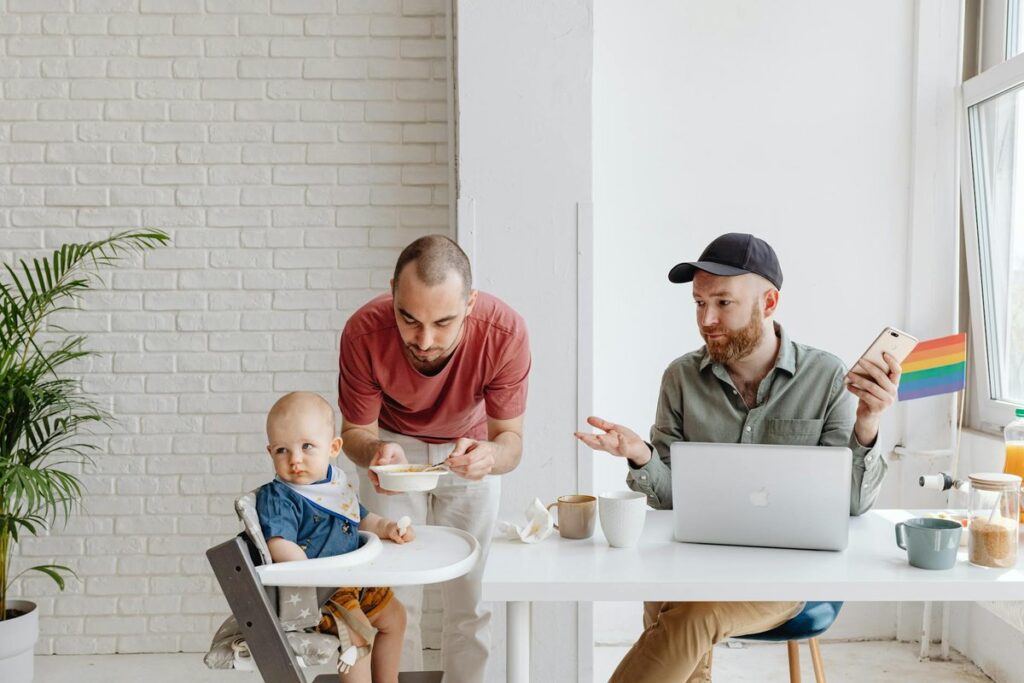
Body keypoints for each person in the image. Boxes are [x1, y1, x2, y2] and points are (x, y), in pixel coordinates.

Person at [575, 232, 899, 683]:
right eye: (699, 303)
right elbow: (670, 502)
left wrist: (867, 425)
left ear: (769, 303)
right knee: (679, 606)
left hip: (788, 578)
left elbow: (852, 506)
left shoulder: (825, 377)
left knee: (690, 614)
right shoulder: (681, 378)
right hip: (695, 563)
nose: (707, 318)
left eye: (723, 303)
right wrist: (639, 455)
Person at [338, 234, 531, 683]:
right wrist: (374, 453)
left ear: (471, 303)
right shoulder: (364, 331)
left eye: (443, 323)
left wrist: (490, 456)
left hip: (470, 446)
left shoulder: (504, 332)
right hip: (391, 448)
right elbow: (354, 434)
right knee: (392, 597)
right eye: (409, 319)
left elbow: (511, 441)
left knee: (471, 596)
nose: (424, 340)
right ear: (392, 294)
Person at [256, 391, 414, 683]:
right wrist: (309, 574)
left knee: (396, 617)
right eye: (282, 450)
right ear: (270, 453)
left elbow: (361, 517)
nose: (295, 459)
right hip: (323, 592)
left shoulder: (335, 484)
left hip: (356, 580)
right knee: (359, 635)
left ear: (333, 447)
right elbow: (278, 544)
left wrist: (387, 527)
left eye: (307, 446)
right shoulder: (280, 497)